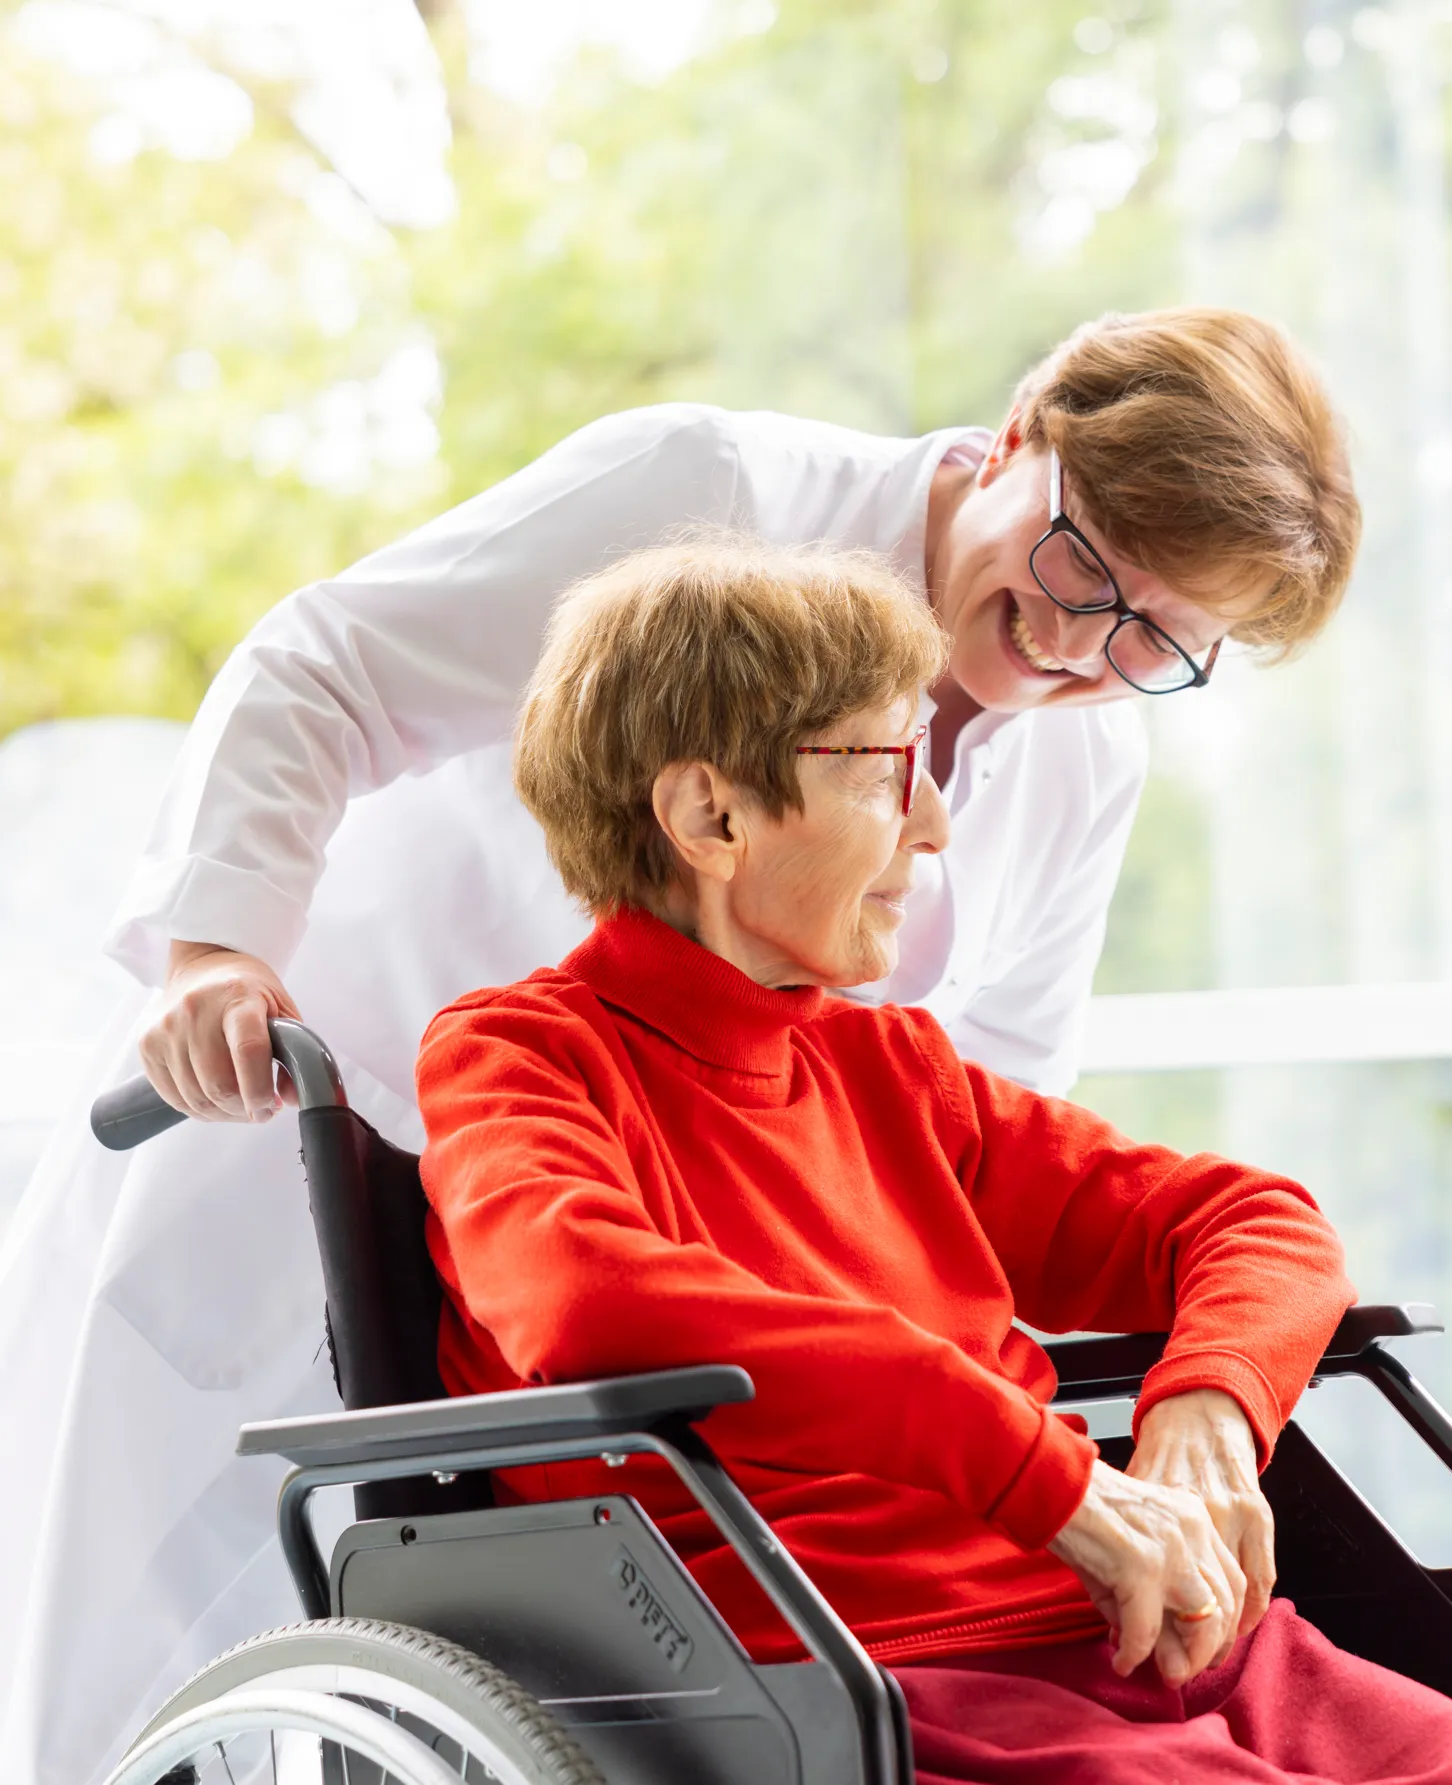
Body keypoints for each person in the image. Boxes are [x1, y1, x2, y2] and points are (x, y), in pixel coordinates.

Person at [0, 310, 1360, 1785]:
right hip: (340, 1126)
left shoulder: (1068, 787)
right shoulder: (700, 491)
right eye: (1086, 565)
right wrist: (220, 946)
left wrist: (1162, 1411)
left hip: (796, 1390)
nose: (1086, 644)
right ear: (1020, 436)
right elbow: (331, 663)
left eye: (1163, 635)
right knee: (122, 1652)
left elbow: (1010, 1109)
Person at [417, 538, 1447, 1781]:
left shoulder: (896, 1073)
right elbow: (591, 1302)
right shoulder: (520, 1057)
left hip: (1162, 1634)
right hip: (871, 1684)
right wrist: (1038, 1474)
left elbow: (1252, 1221)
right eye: (888, 769)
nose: (937, 824)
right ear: (711, 815)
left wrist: (1206, 1416)